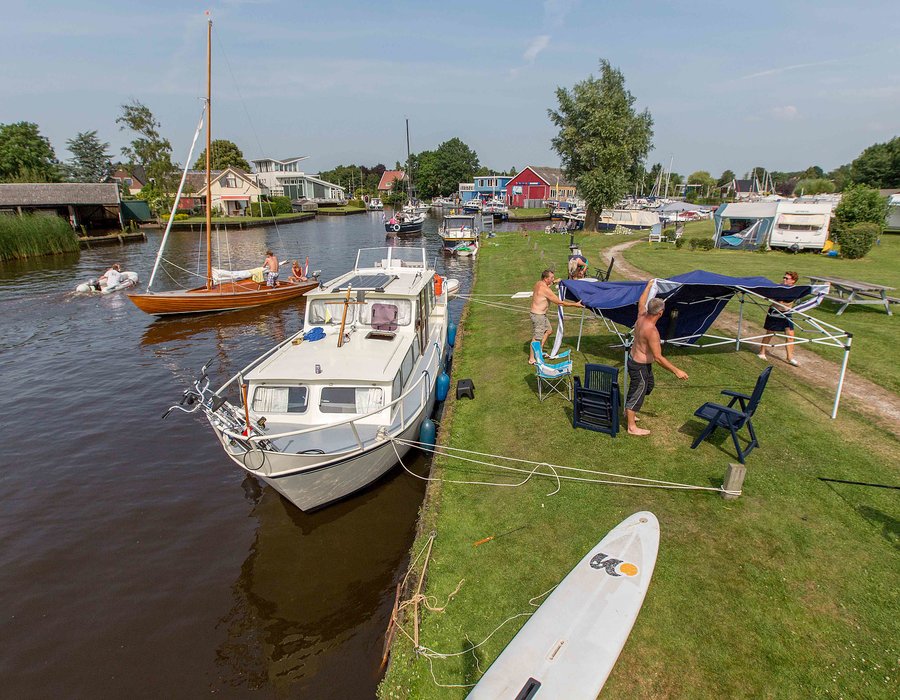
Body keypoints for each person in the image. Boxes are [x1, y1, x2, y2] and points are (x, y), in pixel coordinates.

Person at [625, 280, 689, 436]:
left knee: (648, 386)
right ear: (660, 313)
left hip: (637, 362)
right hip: (639, 366)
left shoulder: (641, 314)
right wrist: (676, 371)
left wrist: (648, 286)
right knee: (637, 393)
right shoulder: (652, 331)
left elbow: (641, 300)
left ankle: (629, 411)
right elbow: (659, 358)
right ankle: (631, 426)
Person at [529, 269, 584, 364]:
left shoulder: (539, 283)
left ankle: (539, 350)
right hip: (538, 316)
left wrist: (554, 282)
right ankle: (531, 359)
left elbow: (548, 284)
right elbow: (560, 302)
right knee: (536, 338)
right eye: (551, 278)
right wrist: (576, 304)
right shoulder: (546, 290)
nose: (553, 279)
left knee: (549, 331)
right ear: (546, 278)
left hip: (540, 315)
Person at [759, 270, 799, 366]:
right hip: (775, 312)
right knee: (770, 333)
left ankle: (789, 358)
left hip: (787, 314)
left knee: (790, 335)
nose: (784, 279)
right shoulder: (778, 287)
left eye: (787, 278)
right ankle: (762, 352)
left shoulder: (795, 290)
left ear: (793, 281)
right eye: (784, 277)